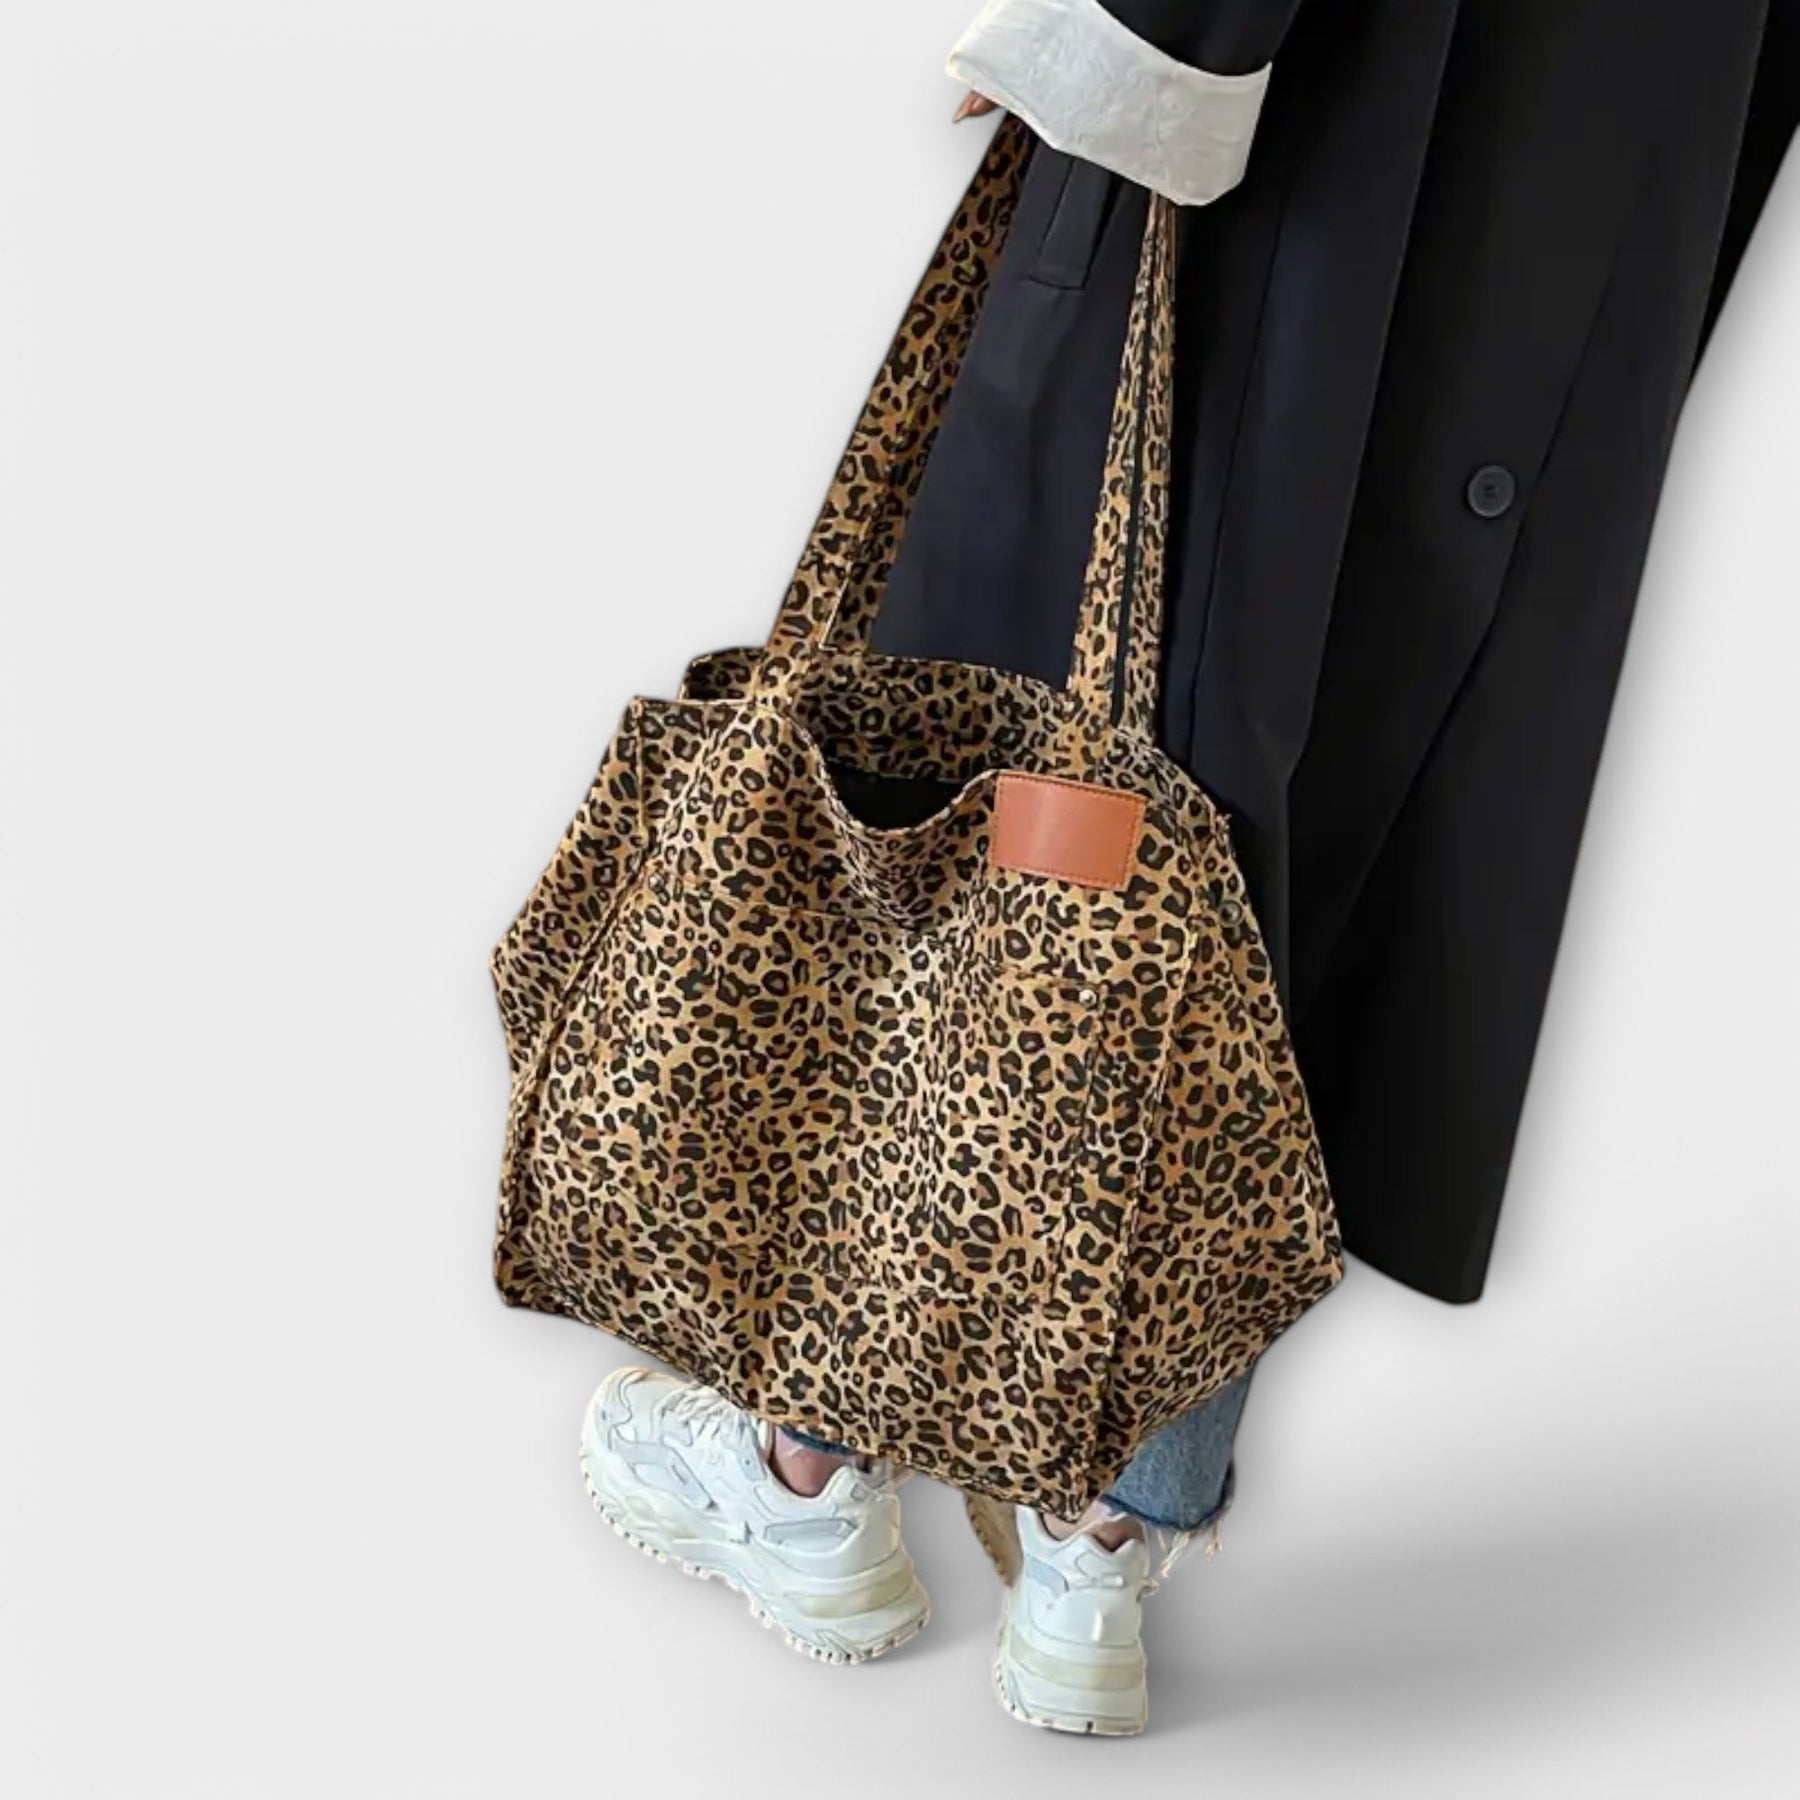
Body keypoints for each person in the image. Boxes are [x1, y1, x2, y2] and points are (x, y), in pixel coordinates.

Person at [572, 0, 1796, 1738]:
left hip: (1323, 121)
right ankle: (1111, 1531)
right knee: (1308, 817)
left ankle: (806, 1464)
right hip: (1598, 186)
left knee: (1047, 772)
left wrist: (1122, 37)